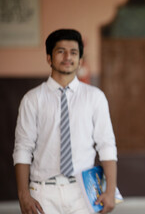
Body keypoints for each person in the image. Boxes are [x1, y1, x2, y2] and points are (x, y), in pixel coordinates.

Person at [13, 29, 118, 214]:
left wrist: (110, 191)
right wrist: (23, 195)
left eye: (74, 52)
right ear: (49, 58)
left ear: (80, 60)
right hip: (42, 193)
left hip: (83, 191)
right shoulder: (32, 99)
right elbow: (22, 148)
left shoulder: (95, 97)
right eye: (61, 51)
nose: (68, 56)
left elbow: (106, 145)